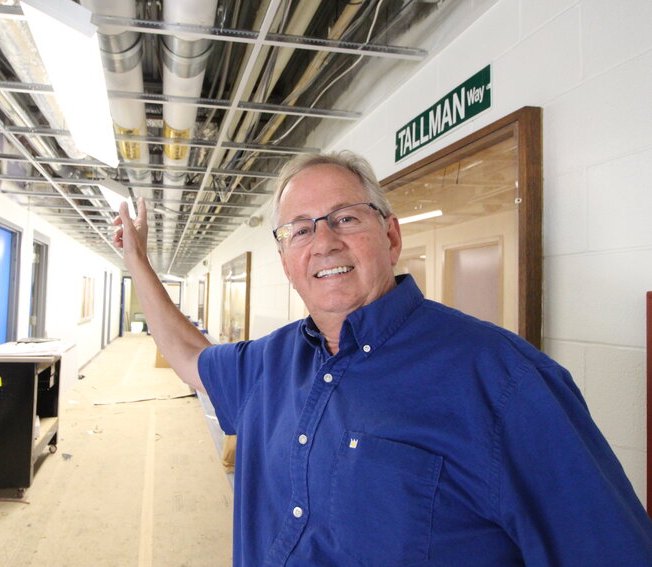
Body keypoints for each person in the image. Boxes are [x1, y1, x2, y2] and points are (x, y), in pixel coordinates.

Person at [113, 150, 652, 566]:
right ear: (286, 261)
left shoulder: (504, 380)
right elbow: (189, 356)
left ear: (390, 236)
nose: (322, 242)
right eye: (300, 229)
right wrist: (137, 261)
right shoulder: (269, 363)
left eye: (345, 218)